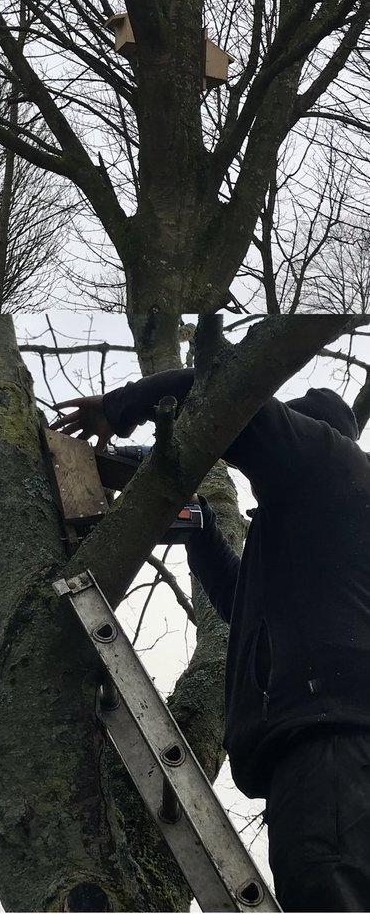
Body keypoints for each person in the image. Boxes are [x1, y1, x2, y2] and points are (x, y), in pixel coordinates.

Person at [63, 369, 370, 913]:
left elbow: (229, 394)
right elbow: (242, 607)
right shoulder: (308, 533)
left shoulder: (330, 463)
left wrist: (117, 409)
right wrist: (202, 533)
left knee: (327, 886)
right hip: (322, 745)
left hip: (332, 745)